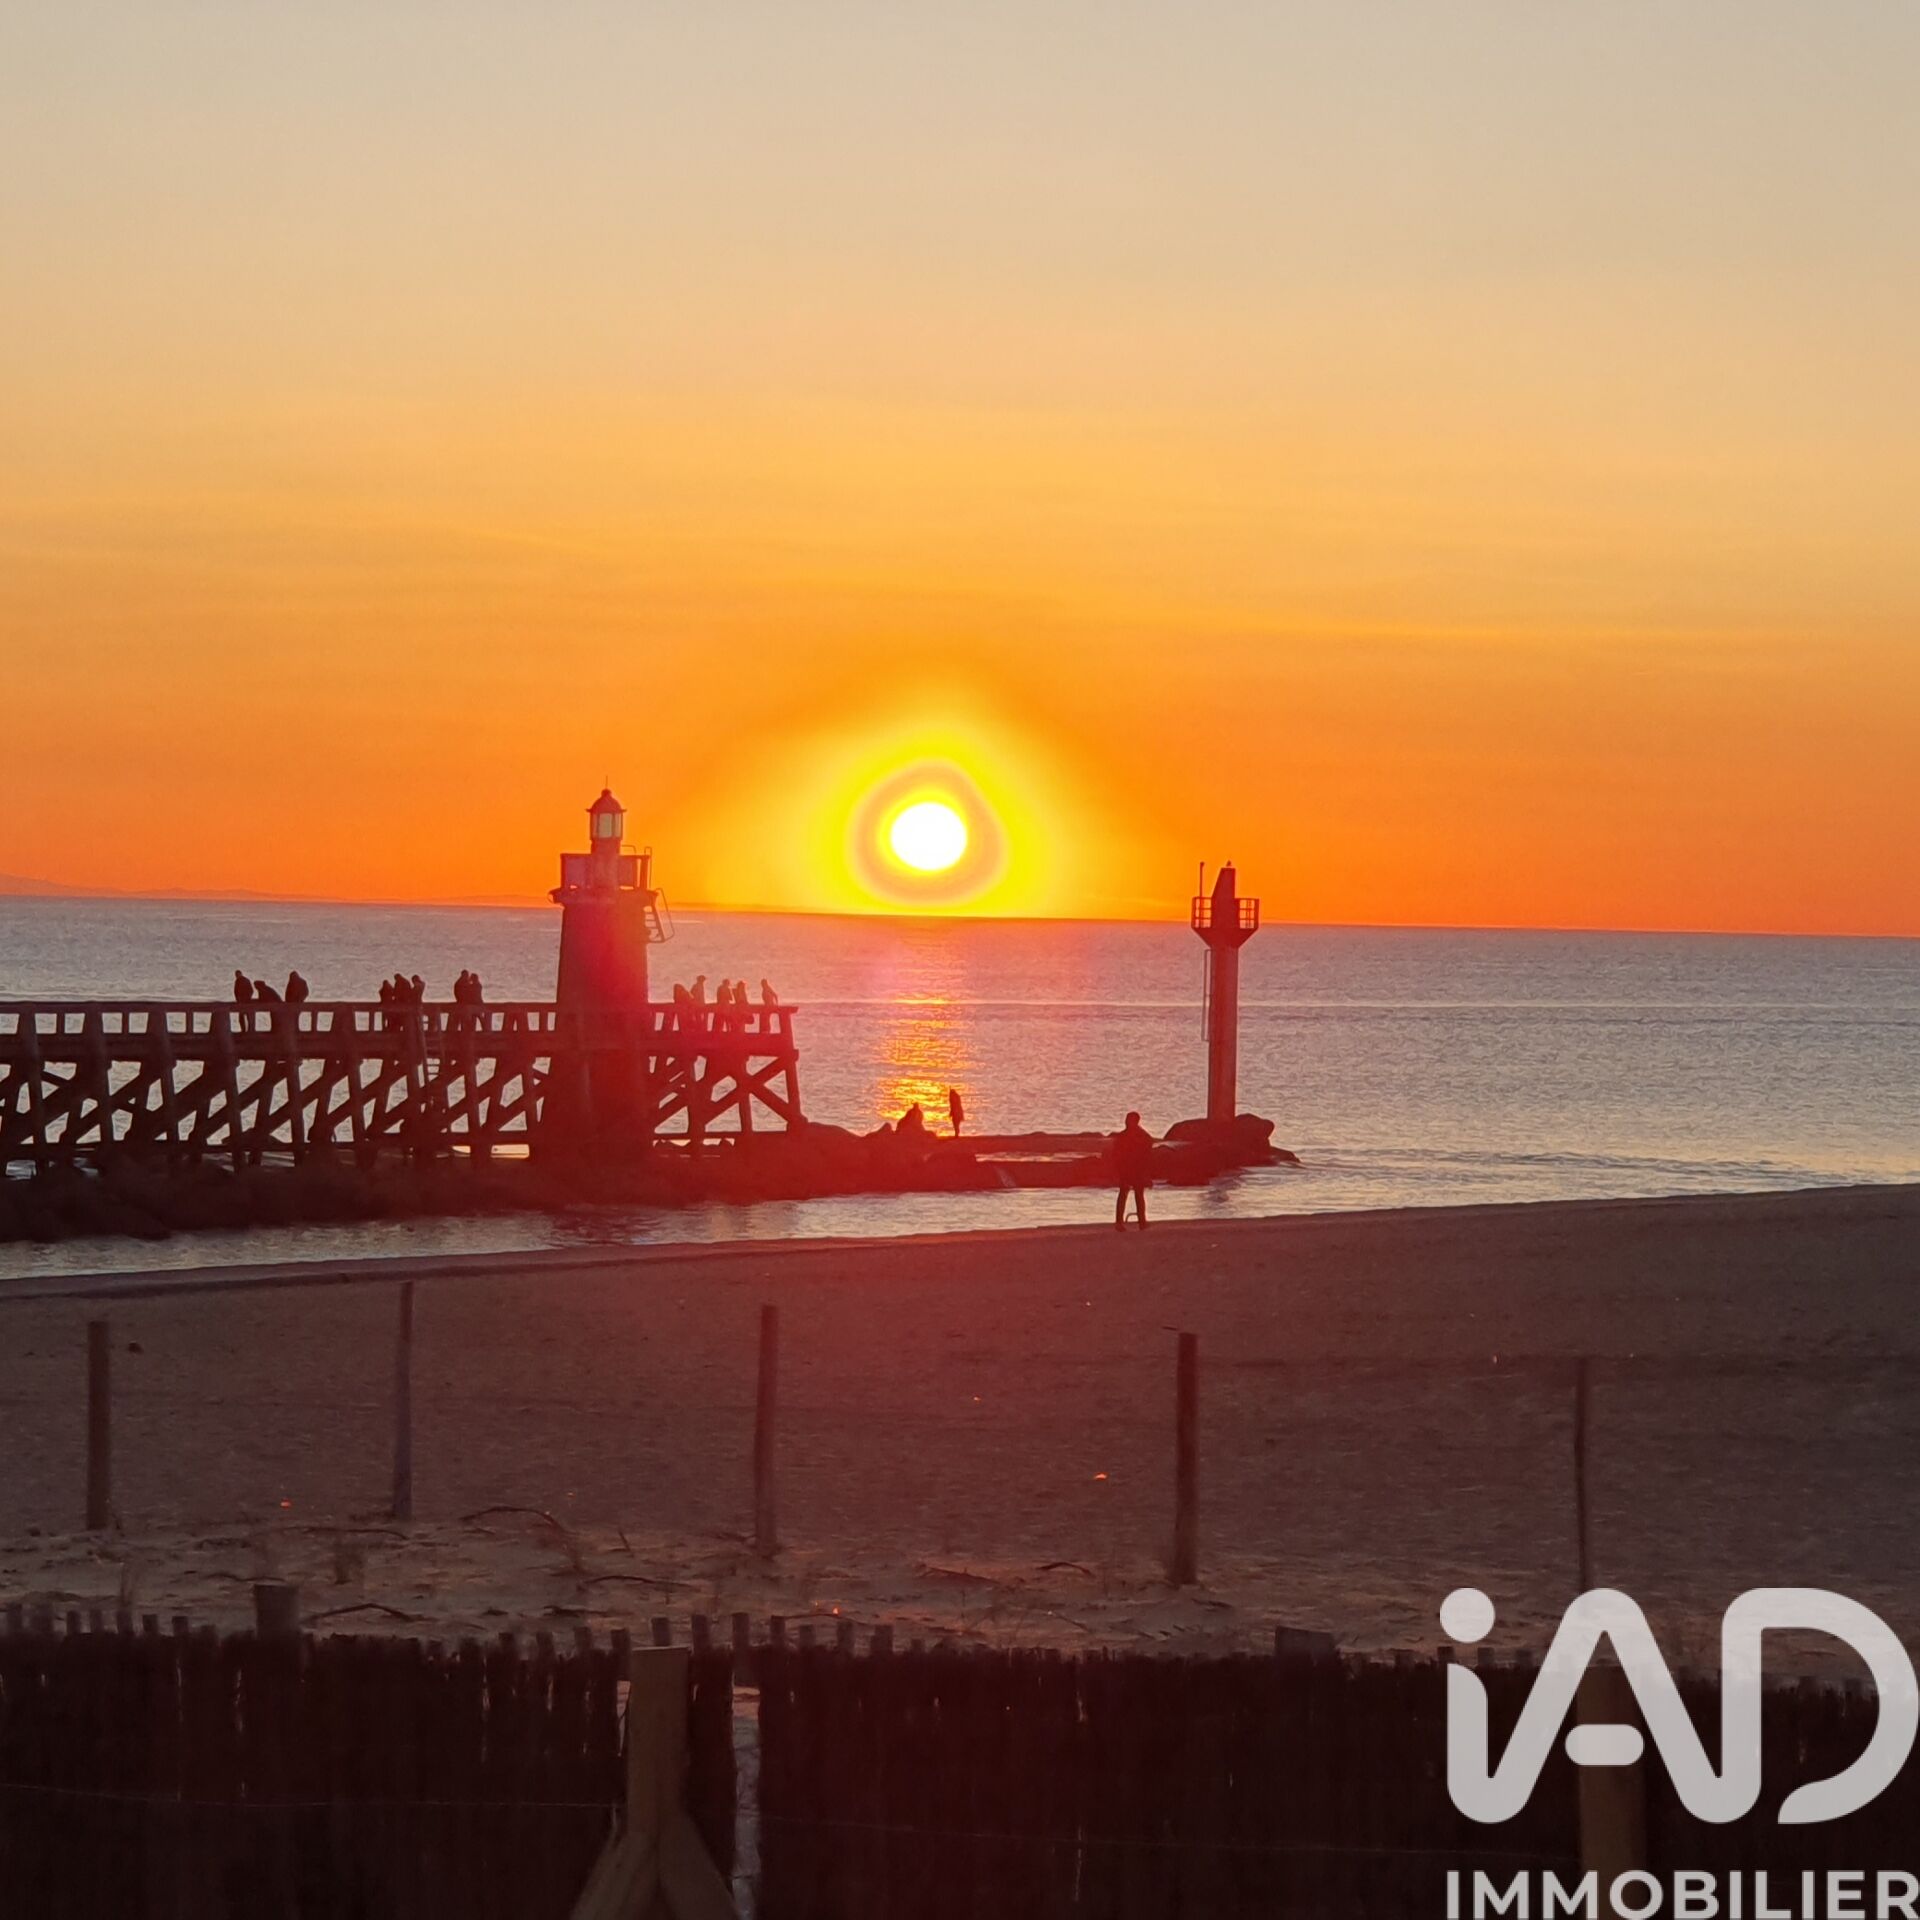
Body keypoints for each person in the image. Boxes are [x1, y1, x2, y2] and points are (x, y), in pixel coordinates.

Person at [1111, 1110, 1154, 1230]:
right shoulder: (1127, 1136)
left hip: (1137, 1169)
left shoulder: (1141, 1136)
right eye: (1127, 1120)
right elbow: (1116, 1154)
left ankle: (1141, 1222)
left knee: (1137, 1195)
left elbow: (1147, 1154)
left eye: (1129, 1120)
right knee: (1124, 1194)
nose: (1127, 1122)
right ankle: (1120, 1222)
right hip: (1126, 1169)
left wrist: (1146, 1172)